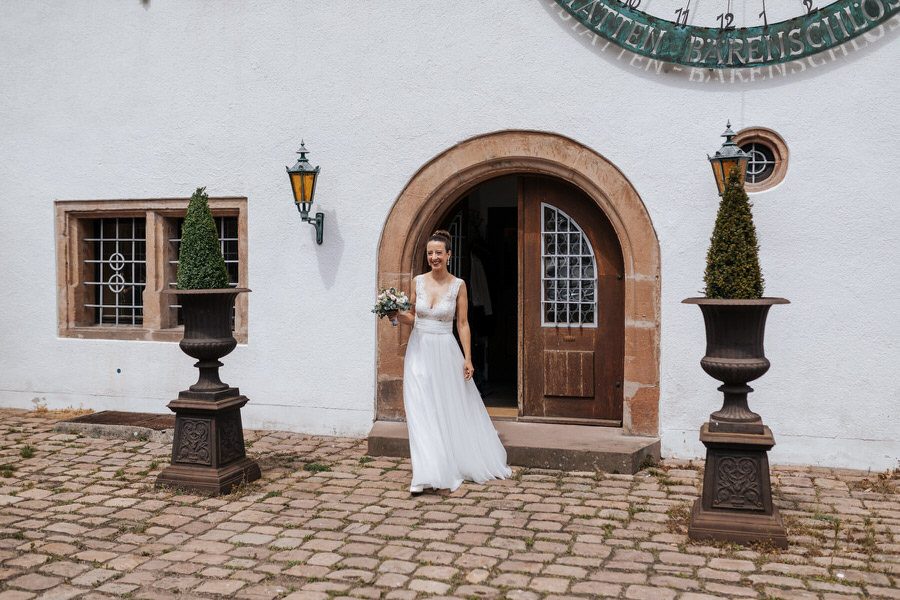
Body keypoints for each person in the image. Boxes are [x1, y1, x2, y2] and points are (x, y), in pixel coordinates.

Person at [388, 229, 512, 495]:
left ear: (448, 255)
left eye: (438, 253)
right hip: (419, 350)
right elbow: (412, 316)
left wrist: (468, 358)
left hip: (445, 351)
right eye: (430, 253)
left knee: (443, 407)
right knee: (420, 408)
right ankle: (425, 474)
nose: (434, 257)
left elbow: (463, 323)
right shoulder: (417, 281)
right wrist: (395, 315)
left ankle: (445, 465)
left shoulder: (459, 285)